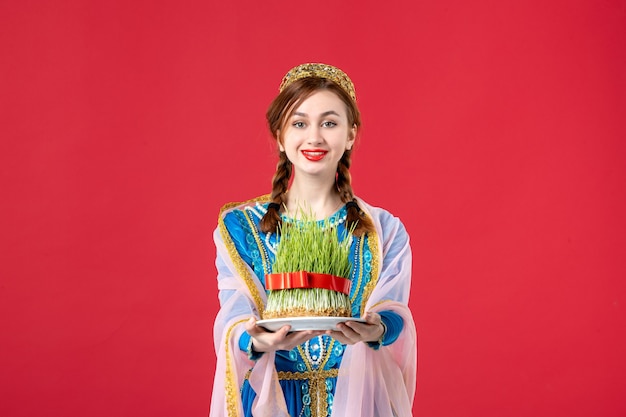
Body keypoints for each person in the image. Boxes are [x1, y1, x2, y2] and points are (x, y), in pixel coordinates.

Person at [210, 63, 416, 417]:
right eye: (300, 123)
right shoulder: (241, 227)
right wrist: (259, 339)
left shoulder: (382, 230)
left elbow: (394, 312)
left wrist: (376, 328)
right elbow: (233, 315)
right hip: (273, 401)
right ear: (280, 134)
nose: (315, 137)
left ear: (351, 134)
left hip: (359, 402)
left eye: (330, 123)